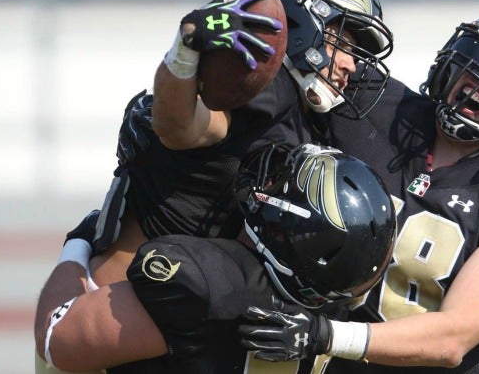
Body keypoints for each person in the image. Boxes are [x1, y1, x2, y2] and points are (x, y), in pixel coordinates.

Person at [34, 0, 394, 372]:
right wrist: (185, 52)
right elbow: (182, 125)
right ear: (300, 23)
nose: (351, 63)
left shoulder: (303, 112)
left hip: (188, 312)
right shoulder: (265, 91)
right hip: (125, 309)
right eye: (343, 41)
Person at [237, 8, 479, 373]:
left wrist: (328, 336)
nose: (474, 85)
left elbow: (453, 337)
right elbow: (299, 54)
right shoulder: (371, 104)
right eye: (472, 63)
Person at [35, 142, 398, 373]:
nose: (268, 182)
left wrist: (79, 242)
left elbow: (56, 340)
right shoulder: (331, 312)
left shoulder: (205, 281)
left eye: (280, 185)